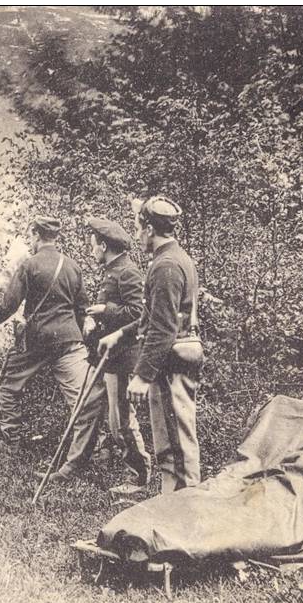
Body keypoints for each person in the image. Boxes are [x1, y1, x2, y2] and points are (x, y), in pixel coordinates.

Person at [0, 216, 105, 483]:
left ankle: (12, 441)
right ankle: (97, 447)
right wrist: (75, 336)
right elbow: (82, 308)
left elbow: (8, 307)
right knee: (84, 397)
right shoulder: (73, 266)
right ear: (55, 237)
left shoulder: (29, 265)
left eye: (31, 236)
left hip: (37, 341)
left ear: (35, 235)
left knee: (8, 386)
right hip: (69, 341)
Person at [99, 196, 204, 493]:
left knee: (176, 446)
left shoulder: (165, 266)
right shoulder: (175, 259)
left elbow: (162, 328)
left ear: (148, 229)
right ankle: (171, 505)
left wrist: (142, 376)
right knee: (171, 444)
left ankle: (183, 515)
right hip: (174, 357)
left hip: (172, 362)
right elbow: (152, 317)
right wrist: (120, 335)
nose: (136, 235)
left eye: (138, 227)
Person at [83, 217, 153, 489]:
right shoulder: (113, 269)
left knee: (122, 421)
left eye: (93, 247)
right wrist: (95, 319)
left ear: (103, 245)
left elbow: (139, 315)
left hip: (125, 356)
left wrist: (104, 311)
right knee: (115, 420)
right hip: (110, 355)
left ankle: (139, 477)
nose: (92, 252)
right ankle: (129, 468)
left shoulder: (127, 271)